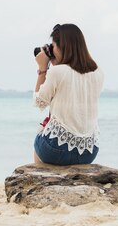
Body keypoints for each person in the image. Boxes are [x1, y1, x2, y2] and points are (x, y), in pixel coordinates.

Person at [33, 23, 104, 165]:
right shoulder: (98, 72)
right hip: (89, 152)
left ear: (61, 46)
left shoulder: (57, 72)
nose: (51, 50)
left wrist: (42, 69)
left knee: (38, 139)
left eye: (53, 46)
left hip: (56, 149)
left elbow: (39, 102)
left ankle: (40, 180)